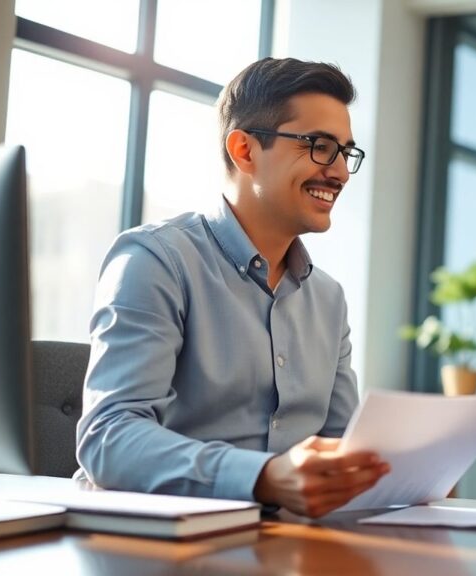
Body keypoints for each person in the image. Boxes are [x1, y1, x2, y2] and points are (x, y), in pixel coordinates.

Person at [75, 58, 389, 518]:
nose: (340, 172)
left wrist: (408, 466)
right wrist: (265, 477)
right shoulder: (155, 261)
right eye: (321, 147)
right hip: (165, 541)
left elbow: (341, 445)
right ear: (244, 150)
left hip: (286, 541)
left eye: (346, 153)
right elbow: (108, 439)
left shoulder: (328, 298)